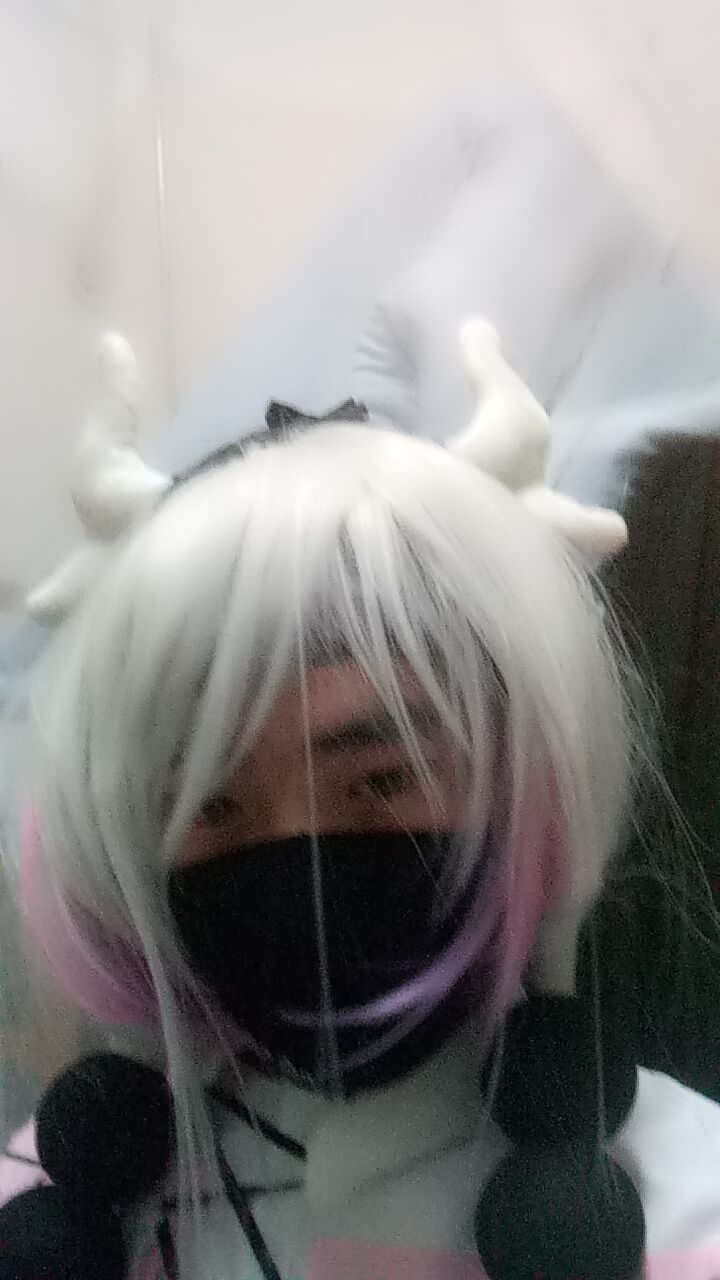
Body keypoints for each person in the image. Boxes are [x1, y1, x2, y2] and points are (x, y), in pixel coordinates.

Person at [1, 322, 719, 1280]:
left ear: (526, 784)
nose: (302, 862)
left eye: (386, 778)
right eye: (208, 805)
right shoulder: (43, 1207)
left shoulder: (694, 1207)